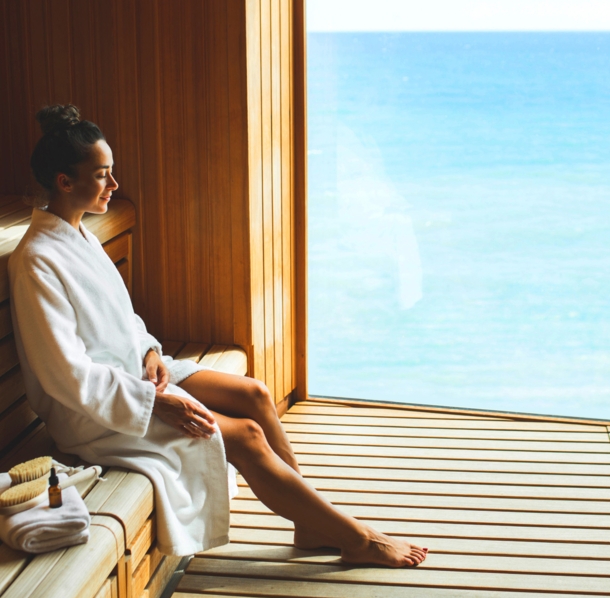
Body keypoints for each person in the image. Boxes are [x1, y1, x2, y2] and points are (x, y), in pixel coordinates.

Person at [9, 104, 427, 566]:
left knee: (254, 394)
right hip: (97, 411)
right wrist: (155, 401)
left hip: (139, 376)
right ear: (65, 182)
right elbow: (64, 375)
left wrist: (149, 350)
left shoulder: (80, 235)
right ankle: (357, 539)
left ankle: (309, 523)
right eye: (103, 175)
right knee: (245, 436)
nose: (114, 185)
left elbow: (120, 318)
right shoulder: (36, 260)